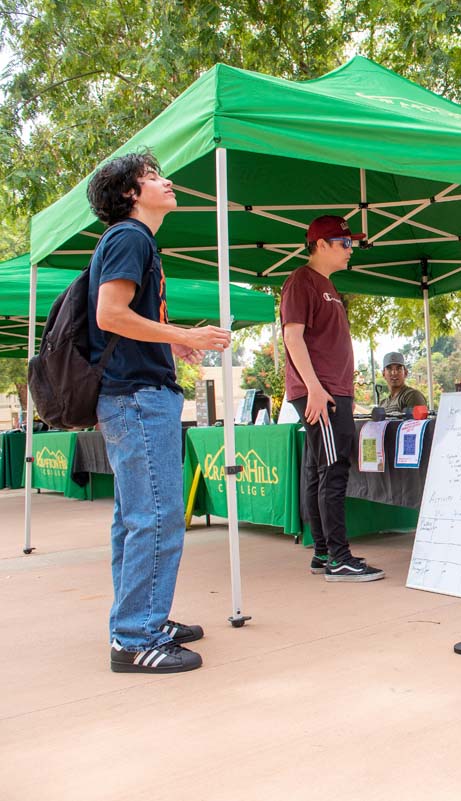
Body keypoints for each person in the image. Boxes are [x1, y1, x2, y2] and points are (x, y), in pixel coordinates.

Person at [87, 151, 232, 673]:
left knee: (135, 518)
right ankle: (134, 637)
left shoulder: (135, 242)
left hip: (134, 393)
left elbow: (125, 323)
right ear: (130, 194)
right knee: (156, 516)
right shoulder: (130, 237)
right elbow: (110, 314)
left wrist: (170, 346)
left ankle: (143, 617)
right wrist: (183, 334)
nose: (165, 181)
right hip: (137, 398)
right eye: (152, 178)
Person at [281, 215, 385, 583]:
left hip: (331, 390)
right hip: (321, 392)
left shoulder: (327, 286)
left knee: (318, 469)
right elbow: (293, 337)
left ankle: (324, 552)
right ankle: (340, 558)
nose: (350, 250)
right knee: (334, 468)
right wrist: (314, 388)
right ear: (321, 245)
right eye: (345, 243)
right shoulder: (301, 281)